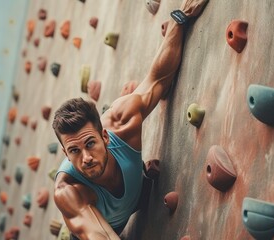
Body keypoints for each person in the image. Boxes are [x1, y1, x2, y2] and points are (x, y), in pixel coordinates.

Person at [51, 0, 209, 239]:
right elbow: (101, 236)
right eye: (73, 150)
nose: (85, 158)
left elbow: (158, 79)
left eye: (90, 143)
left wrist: (180, 17)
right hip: (105, 228)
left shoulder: (121, 123)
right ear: (64, 153)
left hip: (139, 194)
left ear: (105, 135)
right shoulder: (70, 191)